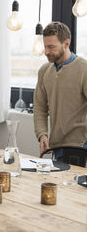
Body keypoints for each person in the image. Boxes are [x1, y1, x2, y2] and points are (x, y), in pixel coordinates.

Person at [34, 21, 87, 157]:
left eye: (51, 47)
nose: (46, 52)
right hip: (56, 147)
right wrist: (42, 135)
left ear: (66, 44)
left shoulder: (84, 69)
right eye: (45, 47)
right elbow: (40, 108)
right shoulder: (44, 71)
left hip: (80, 147)